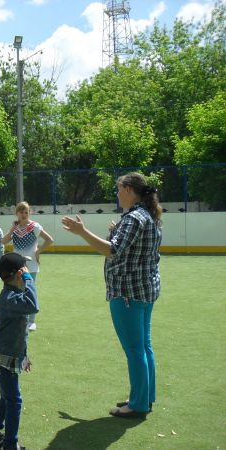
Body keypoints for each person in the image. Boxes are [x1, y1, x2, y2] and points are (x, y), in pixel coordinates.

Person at [61, 172, 162, 419]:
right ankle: (144, 396)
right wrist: (116, 231)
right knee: (144, 347)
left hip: (127, 293)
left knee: (135, 349)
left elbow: (112, 250)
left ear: (128, 190)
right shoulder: (147, 216)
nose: (117, 195)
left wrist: (82, 232)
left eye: (119, 190)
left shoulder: (134, 218)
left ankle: (138, 404)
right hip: (144, 290)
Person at [0, 252, 39, 450]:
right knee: (14, 400)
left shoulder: (14, 295)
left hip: (10, 356)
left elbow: (19, 332)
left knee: (7, 398)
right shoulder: (9, 297)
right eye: (24, 269)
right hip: (2, 357)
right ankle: (10, 444)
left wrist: (24, 356)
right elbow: (33, 305)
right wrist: (29, 279)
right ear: (17, 274)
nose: (26, 272)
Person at [1, 201, 54, 331]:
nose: (24, 214)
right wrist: (12, 230)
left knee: (29, 290)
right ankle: (20, 319)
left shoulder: (34, 226)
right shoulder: (15, 228)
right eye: (21, 212)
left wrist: (38, 251)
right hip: (16, 265)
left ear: (29, 213)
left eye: (26, 212)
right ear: (16, 213)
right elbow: (3, 241)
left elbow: (49, 240)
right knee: (17, 290)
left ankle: (31, 321)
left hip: (31, 265)